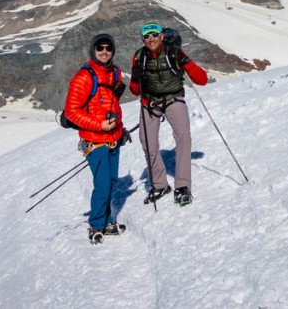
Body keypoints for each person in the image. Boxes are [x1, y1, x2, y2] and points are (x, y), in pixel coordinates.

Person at [129, 23, 208, 206]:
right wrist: (135, 77)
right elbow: (135, 91)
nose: (151, 39)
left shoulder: (174, 53)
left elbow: (201, 80)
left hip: (173, 99)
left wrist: (185, 61)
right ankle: (159, 184)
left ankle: (182, 185)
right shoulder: (139, 57)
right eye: (147, 36)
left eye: (154, 35)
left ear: (161, 36)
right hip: (150, 102)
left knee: (183, 137)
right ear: (142, 39)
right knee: (147, 141)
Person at [63, 33, 128, 244]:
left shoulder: (115, 73)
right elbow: (71, 112)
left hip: (113, 137)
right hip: (93, 139)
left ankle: (108, 222)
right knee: (102, 184)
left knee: (110, 182)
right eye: (100, 48)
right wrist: (99, 125)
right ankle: (96, 225)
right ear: (93, 50)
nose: (104, 52)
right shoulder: (84, 77)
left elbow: (113, 106)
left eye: (108, 48)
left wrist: (121, 129)